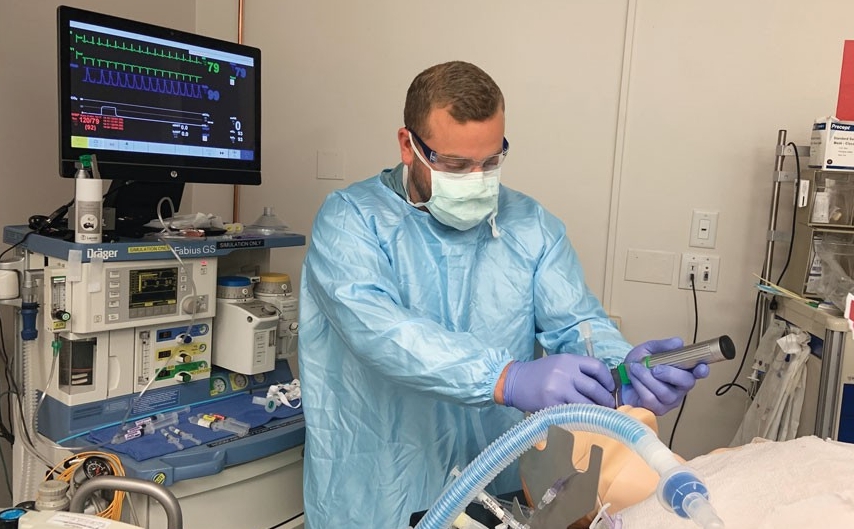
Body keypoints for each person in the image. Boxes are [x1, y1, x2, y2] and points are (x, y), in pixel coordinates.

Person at [298, 60, 709, 529]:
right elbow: (382, 332)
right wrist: (505, 377)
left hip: (498, 484)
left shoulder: (531, 226)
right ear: (408, 146)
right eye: (455, 165)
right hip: (378, 486)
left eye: (490, 161)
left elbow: (577, 324)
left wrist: (624, 372)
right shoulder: (350, 221)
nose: (476, 179)